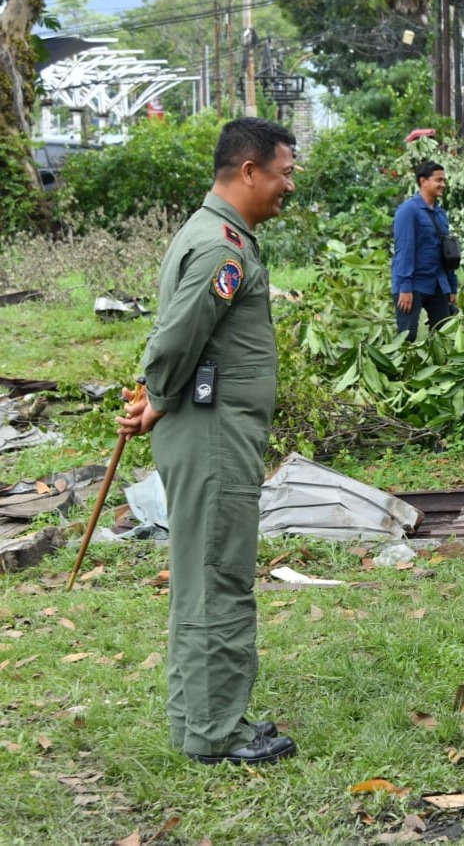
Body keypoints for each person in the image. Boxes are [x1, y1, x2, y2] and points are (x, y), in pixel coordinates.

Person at [116, 117, 298, 765]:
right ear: (248, 171)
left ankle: (199, 719)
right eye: (283, 172)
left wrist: (155, 402)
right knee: (218, 577)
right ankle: (217, 733)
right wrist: (159, 399)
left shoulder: (213, 233)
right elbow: (173, 341)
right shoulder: (222, 247)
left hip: (210, 429)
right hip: (213, 434)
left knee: (202, 575)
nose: (289, 186)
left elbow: (174, 336)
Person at [392, 159, 460, 341]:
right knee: (407, 337)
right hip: (413, 284)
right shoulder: (408, 211)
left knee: (443, 334)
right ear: (423, 181)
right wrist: (405, 287)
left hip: (437, 283)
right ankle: (404, 369)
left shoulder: (440, 213)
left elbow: (448, 252)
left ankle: (439, 369)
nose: (443, 185)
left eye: (444, 180)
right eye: (438, 180)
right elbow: (404, 250)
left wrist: (452, 287)